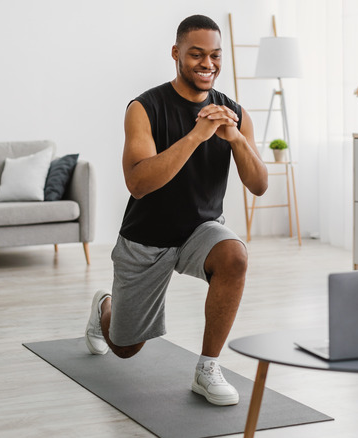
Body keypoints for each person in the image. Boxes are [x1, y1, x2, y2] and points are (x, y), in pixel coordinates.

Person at [85, 14, 268, 406]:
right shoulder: (144, 107)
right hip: (146, 237)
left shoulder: (233, 112)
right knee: (125, 348)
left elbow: (259, 185)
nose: (207, 64)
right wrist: (196, 135)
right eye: (196, 54)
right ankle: (104, 308)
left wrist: (235, 138)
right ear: (176, 54)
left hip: (201, 230)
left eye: (215, 55)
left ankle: (207, 368)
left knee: (234, 254)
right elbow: (138, 183)